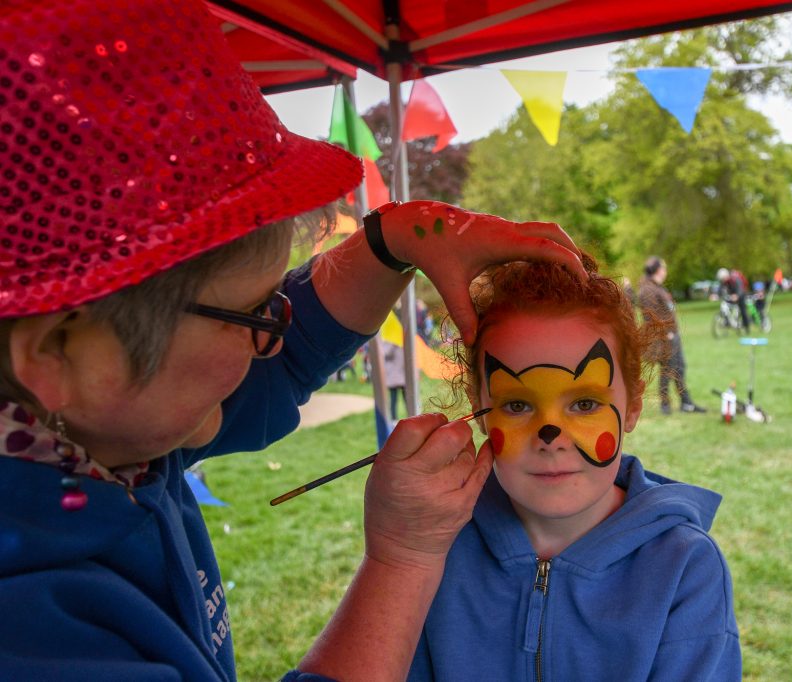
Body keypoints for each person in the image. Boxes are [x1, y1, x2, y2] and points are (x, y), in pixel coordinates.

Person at [0, 1, 587, 679]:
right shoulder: (25, 626)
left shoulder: (98, 428)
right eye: (255, 316)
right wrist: (404, 555)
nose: (276, 341)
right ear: (58, 353)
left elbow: (281, 352)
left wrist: (398, 236)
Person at [408, 254, 742, 680]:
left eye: (584, 404)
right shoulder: (436, 547)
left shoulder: (685, 568)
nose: (551, 436)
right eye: (517, 404)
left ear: (633, 406)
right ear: (480, 410)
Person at [638, 257, 706, 415]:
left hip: (672, 336)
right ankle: (665, 404)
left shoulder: (657, 287)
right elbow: (651, 316)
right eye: (663, 268)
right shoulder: (647, 289)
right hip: (664, 338)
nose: (665, 271)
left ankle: (686, 402)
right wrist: (666, 334)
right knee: (668, 370)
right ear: (657, 270)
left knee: (680, 367)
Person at [717, 267, 751, 334]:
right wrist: (716, 295)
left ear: (726, 276)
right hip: (732, 295)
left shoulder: (735, 278)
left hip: (741, 294)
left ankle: (746, 327)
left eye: (723, 279)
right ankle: (727, 321)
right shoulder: (724, 281)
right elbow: (720, 289)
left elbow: (740, 289)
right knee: (725, 305)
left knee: (743, 310)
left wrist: (737, 296)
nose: (723, 281)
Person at [382, 339, 407, 420]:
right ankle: (393, 419)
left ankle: (412, 416)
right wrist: (393, 344)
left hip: (403, 375)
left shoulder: (403, 341)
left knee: (407, 399)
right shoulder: (388, 341)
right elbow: (385, 354)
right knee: (393, 400)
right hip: (393, 376)